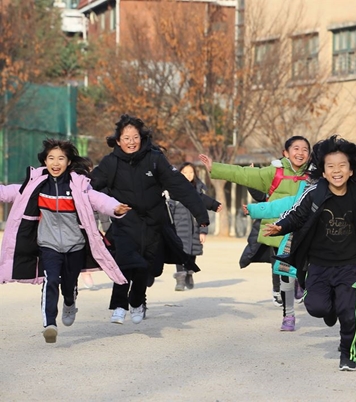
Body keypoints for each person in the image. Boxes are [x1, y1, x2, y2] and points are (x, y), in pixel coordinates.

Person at [263, 135, 356, 371]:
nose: (336, 171)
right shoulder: (314, 193)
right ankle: (331, 311)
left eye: (342, 166)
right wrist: (281, 225)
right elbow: (296, 214)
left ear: (350, 171)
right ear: (324, 171)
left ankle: (348, 350)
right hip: (318, 265)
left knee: (348, 312)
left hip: (349, 265)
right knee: (317, 308)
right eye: (331, 166)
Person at [0, 139, 130, 343]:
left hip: (75, 245)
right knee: (51, 280)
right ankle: (49, 324)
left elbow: (96, 198)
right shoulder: (35, 184)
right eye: (51, 158)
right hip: (47, 245)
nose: (55, 162)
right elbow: (10, 192)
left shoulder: (78, 185)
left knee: (68, 285)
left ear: (69, 162)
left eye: (61, 158)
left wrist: (114, 208)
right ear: (45, 161)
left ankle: (70, 302)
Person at [91, 114, 209, 325]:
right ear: (118, 141)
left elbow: (179, 185)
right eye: (126, 138)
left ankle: (137, 301)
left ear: (141, 137)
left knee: (147, 268)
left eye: (134, 137)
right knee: (126, 263)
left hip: (154, 224)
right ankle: (119, 305)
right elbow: (90, 186)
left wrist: (201, 215)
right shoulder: (110, 163)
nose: (131, 142)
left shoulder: (154, 159)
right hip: (126, 223)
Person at [199, 136, 310, 331]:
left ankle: (301, 283)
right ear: (285, 153)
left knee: (304, 270)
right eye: (296, 148)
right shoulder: (274, 172)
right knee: (284, 276)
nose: (300, 153)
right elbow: (244, 174)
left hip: (304, 233)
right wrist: (215, 168)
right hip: (278, 230)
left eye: (305, 149)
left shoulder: (313, 176)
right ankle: (288, 315)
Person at [168, 162, 223, 291]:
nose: (188, 175)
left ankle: (189, 274)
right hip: (178, 228)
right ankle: (180, 279)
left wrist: (203, 231)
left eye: (191, 172)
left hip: (194, 229)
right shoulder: (173, 190)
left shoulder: (198, 191)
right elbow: (168, 211)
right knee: (179, 253)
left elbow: (203, 212)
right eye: (185, 172)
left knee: (192, 253)